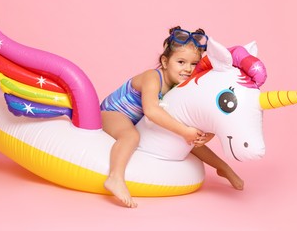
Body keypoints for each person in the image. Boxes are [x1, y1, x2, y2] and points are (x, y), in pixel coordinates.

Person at [100, 26, 243, 208]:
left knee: (186, 138)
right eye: (181, 62)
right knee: (131, 136)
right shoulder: (153, 77)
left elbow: (197, 113)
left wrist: (208, 134)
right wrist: (184, 131)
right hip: (114, 113)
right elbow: (151, 110)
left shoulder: (180, 87)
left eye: (193, 64)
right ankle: (115, 177)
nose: (188, 69)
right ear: (165, 62)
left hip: (139, 122)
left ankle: (223, 167)